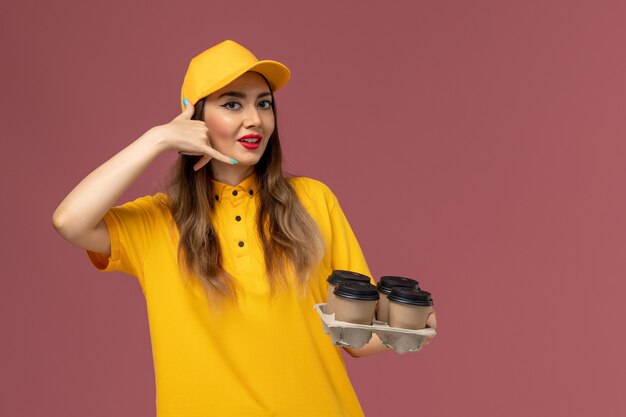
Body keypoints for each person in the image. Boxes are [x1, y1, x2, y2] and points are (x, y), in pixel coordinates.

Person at [52, 40, 436, 417]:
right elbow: (70, 220)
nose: (255, 119)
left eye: (264, 104)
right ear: (194, 116)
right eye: (233, 103)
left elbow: (354, 335)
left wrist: (411, 324)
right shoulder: (158, 221)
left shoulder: (313, 201)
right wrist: (158, 138)